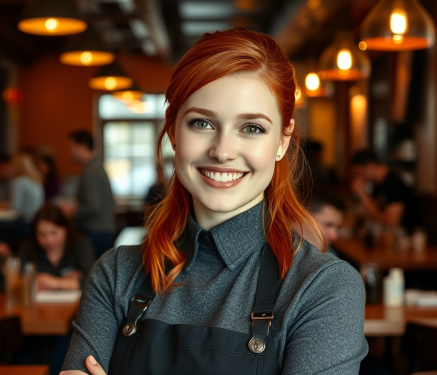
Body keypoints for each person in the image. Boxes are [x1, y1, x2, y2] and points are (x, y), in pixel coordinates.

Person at [62, 28, 367, 375]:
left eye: (252, 127)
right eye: (202, 123)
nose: (222, 151)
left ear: (282, 142)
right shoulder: (116, 274)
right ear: (174, 132)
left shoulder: (323, 287)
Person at [63, 130, 115, 259]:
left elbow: (93, 206)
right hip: (101, 230)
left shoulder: (91, 171)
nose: (69, 154)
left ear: (83, 147)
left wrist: (71, 213)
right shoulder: (95, 167)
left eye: (71, 148)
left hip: (94, 232)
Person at [19, 205, 95, 291]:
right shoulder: (29, 247)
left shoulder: (80, 243)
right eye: (42, 234)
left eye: (54, 233)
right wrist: (68, 282)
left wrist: (57, 283)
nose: (49, 240)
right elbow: (12, 281)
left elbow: (94, 282)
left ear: (66, 229)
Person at [351, 149, 419, 234]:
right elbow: (371, 214)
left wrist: (363, 195)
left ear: (370, 166)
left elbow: (392, 223)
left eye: (360, 174)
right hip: (389, 237)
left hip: (407, 238)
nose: (359, 178)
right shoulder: (377, 184)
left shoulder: (393, 182)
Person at [309, 186, 346, 256]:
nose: (334, 236)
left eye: (338, 228)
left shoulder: (328, 253)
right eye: (328, 225)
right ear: (301, 218)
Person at [11, 153, 45, 223]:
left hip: (24, 222)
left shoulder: (19, 181)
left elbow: (15, 207)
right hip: (36, 221)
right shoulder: (36, 179)